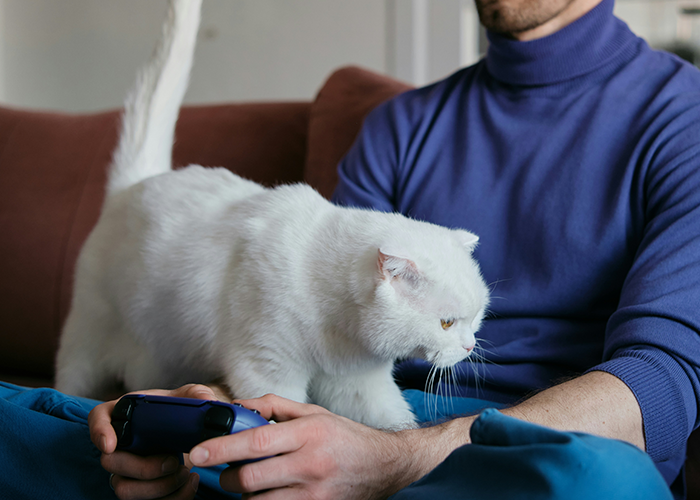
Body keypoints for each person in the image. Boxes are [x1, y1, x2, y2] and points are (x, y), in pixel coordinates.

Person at [9, 0, 699, 498]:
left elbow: (662, 384)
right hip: (348, 421)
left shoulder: (681, 117)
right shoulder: (402, 124)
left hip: (530, 446)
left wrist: (397, 460)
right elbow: (291, 327)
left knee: (599, 479)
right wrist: (194, 415)